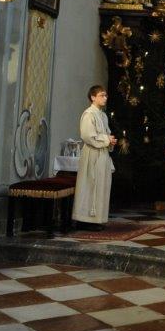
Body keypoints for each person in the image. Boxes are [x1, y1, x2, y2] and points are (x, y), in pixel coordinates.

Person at [71, 86, 117, 231]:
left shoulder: (103, 116)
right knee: (90, 185)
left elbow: (105, 134)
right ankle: (84, 220)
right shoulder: (88, 114)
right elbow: (87, 136)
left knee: (101, 186)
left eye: (106, 95)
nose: (105, 98)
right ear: (93, 97)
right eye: (102, 95)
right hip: (92, 154)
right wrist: (106, 139)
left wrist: (110, 141)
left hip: (102, 154)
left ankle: (97, 219)